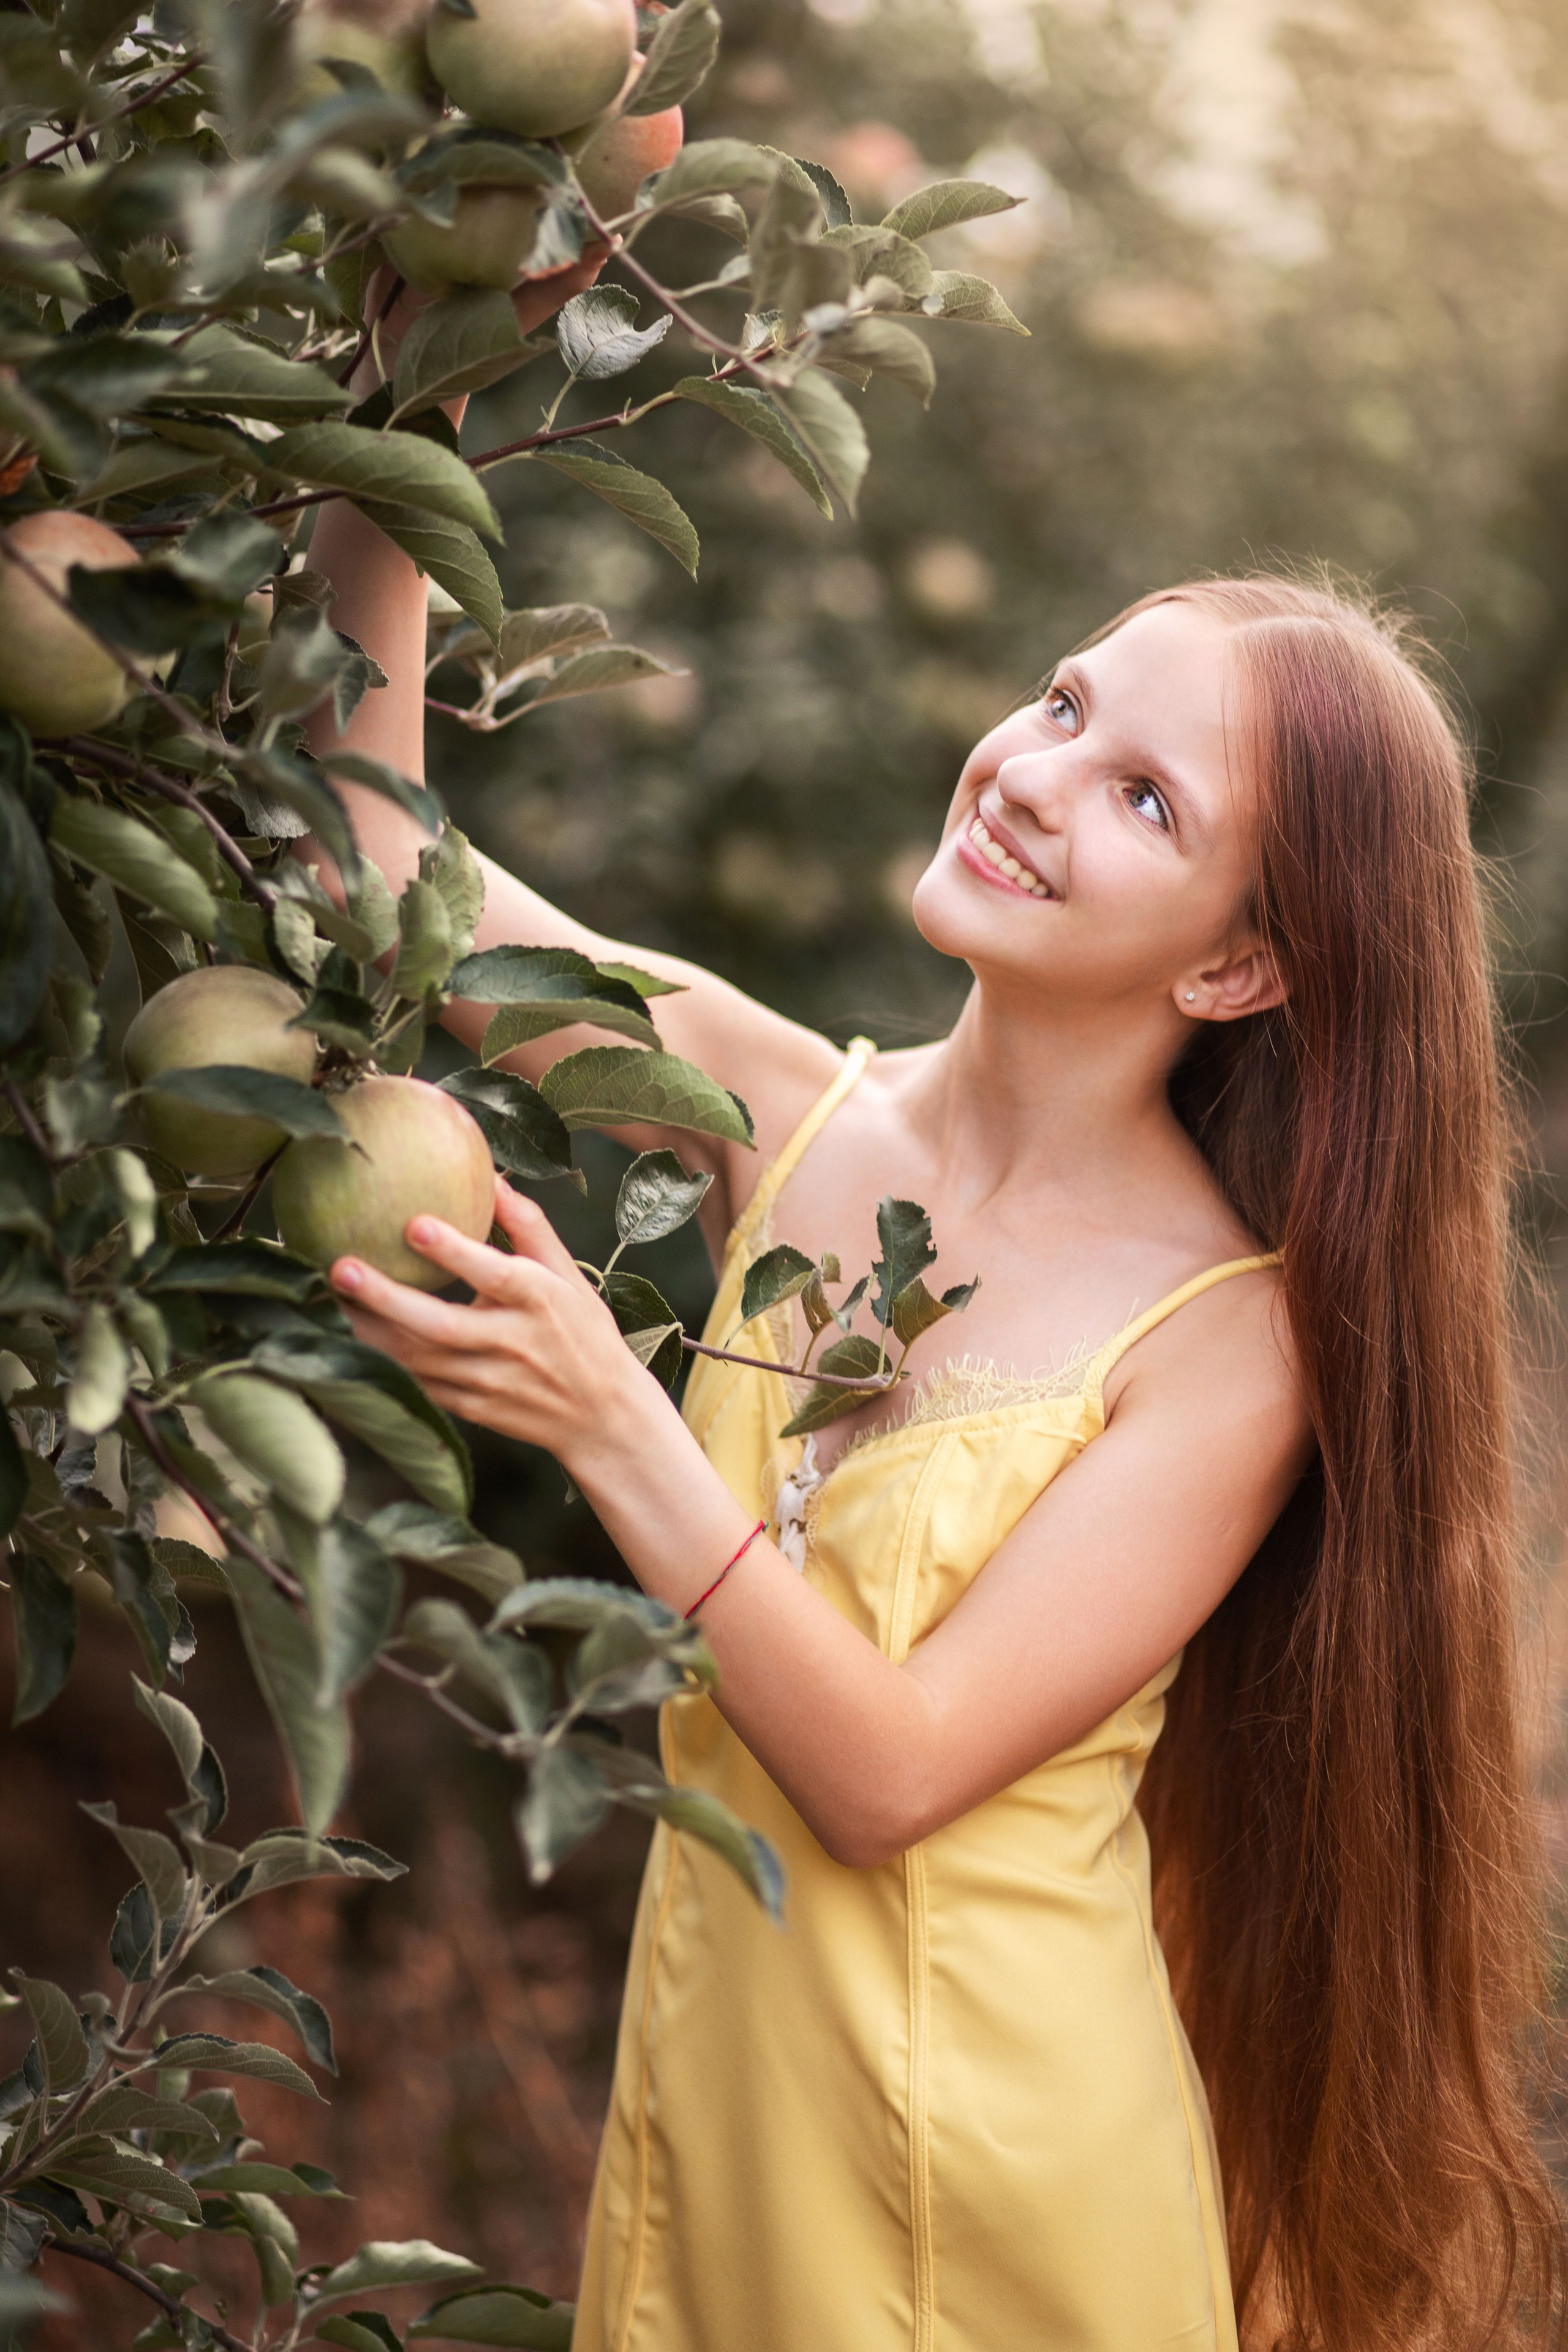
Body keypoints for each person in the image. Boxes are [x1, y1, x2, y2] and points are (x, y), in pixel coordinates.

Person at [297, 318, 1563, 2350]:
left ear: (1243, 961)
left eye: (1144, 794)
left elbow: (893, 1774)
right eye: (1066, 702)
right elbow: (374, 865)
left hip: (999, 2172)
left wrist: (611, 1417)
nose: (1035, 776)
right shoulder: (765, 1099)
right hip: (730, 2093)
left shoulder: (1225, 1347)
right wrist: (408, 394)